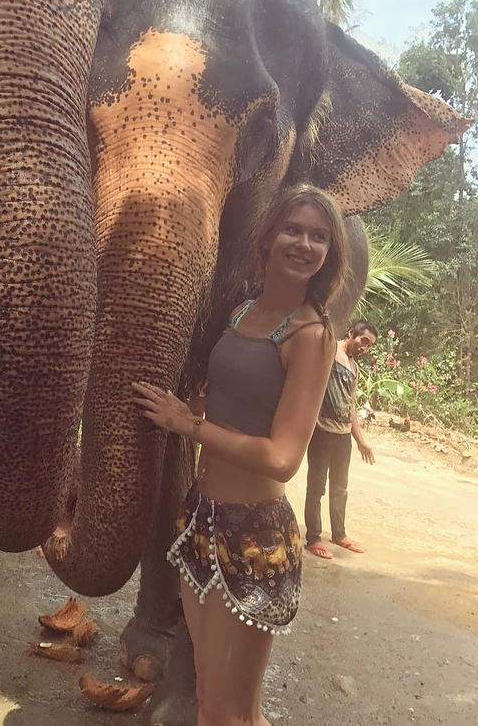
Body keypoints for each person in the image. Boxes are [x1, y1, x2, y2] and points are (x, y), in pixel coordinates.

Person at [133, 184, 350, 726]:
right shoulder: (240, 312)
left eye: (319, 237)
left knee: (227, 715)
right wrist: (183, 404)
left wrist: (191, 425)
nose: (304, 244)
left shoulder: (312, 334)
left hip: (256, 535)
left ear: (330, 254)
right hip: (202, 521)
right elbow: (227, 401)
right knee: (214, 702)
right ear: (269, 237)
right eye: (294, 229)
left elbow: (282, 458)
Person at [304, 320, 378, 559]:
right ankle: (313, 538)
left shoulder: (354, 368)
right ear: (351, 334)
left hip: (343, 437)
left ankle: (339, 534)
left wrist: (360, 441)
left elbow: (352, 405)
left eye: (369, 346)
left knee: (339, 488)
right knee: (316, 487)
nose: (364, 348)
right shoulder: (330, 350)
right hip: (321, 432)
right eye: (363, 341)